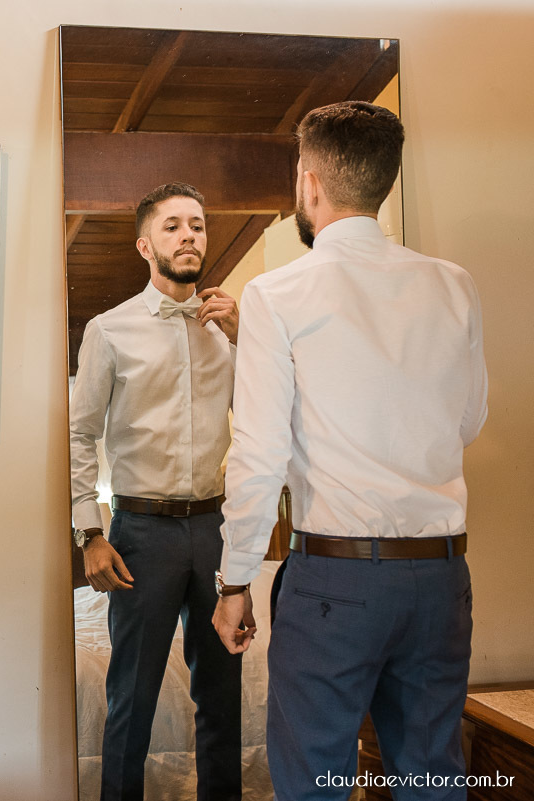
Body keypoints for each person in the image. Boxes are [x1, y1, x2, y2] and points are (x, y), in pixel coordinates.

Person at [212, 101, 487, 800]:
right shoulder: (454, 285)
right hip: (440, 578)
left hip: (336, 582)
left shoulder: (277, 295)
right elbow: (469, 420)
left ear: (309, 182)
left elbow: (259, 454)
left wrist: (235, 580)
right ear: (384, 182)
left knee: (315, 783)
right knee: (433, 779)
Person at [70, 182, 243, 801]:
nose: (188, 235)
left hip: (218, 531)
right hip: (141, 531)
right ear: (145, 244)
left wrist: (249, 339)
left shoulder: (234, 332)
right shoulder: (109, 330)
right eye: (172, 226)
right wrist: (90, 532)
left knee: (223, 695)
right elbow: (79, 434)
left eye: (196, 224)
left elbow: (272, 417)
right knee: (132, 700)